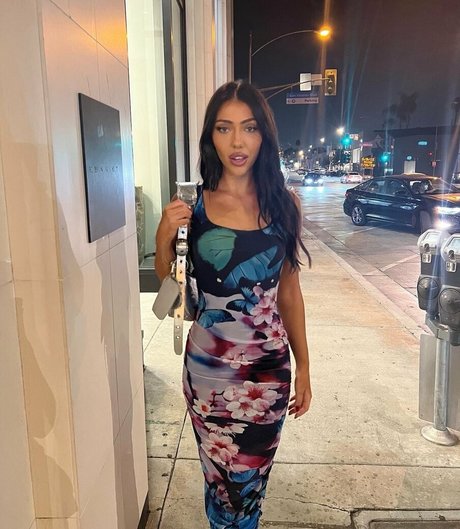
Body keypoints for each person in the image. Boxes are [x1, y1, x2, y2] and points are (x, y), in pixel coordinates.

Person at [155, 80, 312, 529]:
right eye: (224, 128)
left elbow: (289, 293)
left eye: (249, 128)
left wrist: (305, 365)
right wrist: (163, 236)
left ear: (264, 136)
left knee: (252, 484)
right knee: (220, 481)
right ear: (211, 137)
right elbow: (170, 287)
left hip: (268, 374)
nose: (237, 142)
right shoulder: (193, 208)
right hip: (209, 373)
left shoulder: (285, 206)